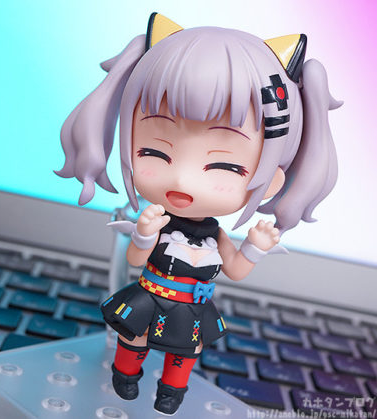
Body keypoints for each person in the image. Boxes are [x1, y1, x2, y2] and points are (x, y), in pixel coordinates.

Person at [56, 12, 341, 415]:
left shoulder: (215, 236)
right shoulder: (158, 220)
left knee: (185, 352)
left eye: (225, 165)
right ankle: (125, 375)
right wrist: (144, 233)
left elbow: (236, 270)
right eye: (154, 152)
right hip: (150, 294)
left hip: (191, 307)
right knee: (133, 339)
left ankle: (171, 392)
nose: (183, 180)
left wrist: (255, 247)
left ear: (271, 181)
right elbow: (135, 259)